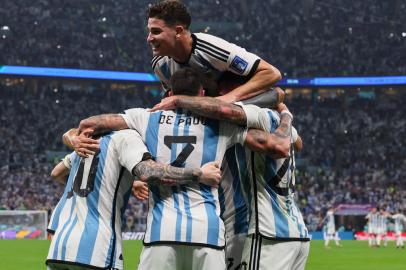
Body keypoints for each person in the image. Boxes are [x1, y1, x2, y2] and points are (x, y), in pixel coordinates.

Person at [70, 67, 293, 270]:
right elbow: (277, 146)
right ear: (204, 94)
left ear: (170, 94)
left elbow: (91, 123)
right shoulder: (222, 124)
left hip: (161, 234)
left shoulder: (146, 117)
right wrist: (285, 116)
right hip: (208, 234)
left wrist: (75, 140)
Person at [149, 89, 310, 269]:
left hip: (266, 230)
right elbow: (298, 142)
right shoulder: (283, 126)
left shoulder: (256, 117)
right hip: (297, 230)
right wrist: (286, 114)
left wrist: (178, 99)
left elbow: (224, 110)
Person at [46, 128, 222, 270]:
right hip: (95, 249)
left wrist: (122, 186)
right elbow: (149, 172)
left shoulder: (86, 144)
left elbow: (56, 173)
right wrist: (199, 173)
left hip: (59, 248)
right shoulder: (127, 137)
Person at [146, 0, 282, 103]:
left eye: (156, 32)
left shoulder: (211, 48)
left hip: (238, 105)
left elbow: (271, 73)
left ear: (178, 31)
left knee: (278, 94)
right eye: (149, 32)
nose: (149, 39)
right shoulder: (159, 65)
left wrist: (228, 99)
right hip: (204, 113)